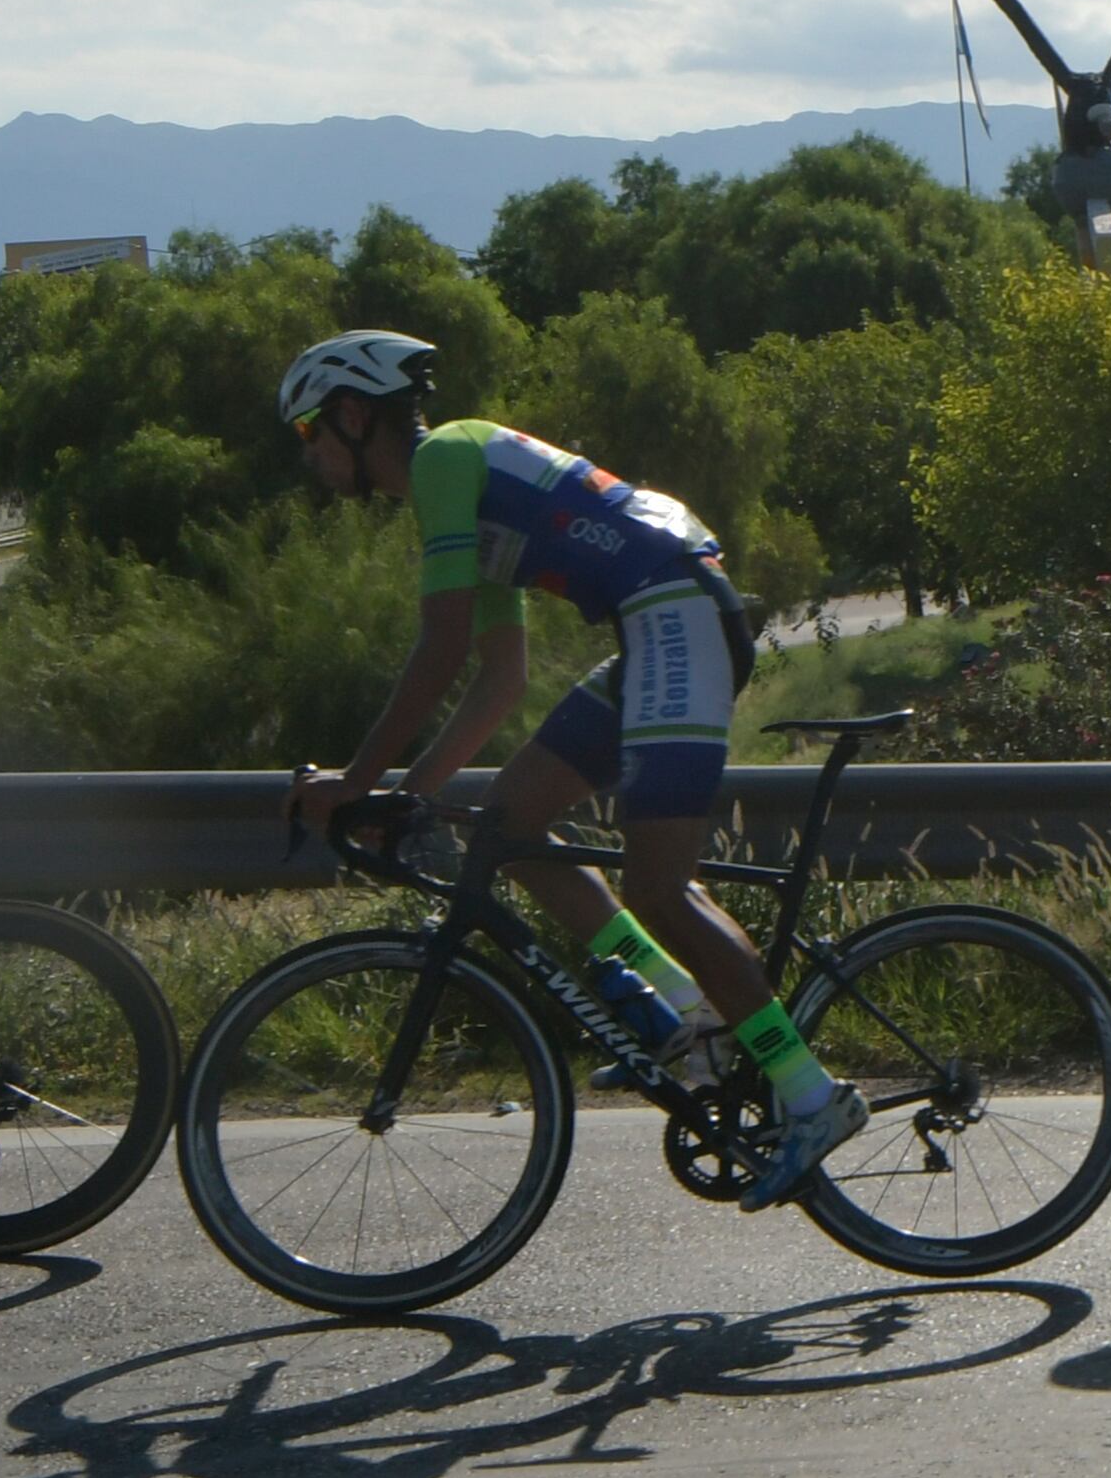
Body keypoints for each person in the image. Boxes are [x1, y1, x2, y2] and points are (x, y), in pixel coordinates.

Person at [268, 331, 863, 1209]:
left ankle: (809, 1094)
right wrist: (414, 794)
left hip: (675, 617)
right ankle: (683, 1013)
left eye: (309, 430)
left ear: (355, 415)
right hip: (657, 624)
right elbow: (496, 677)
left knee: (661, 886)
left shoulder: (443, 463)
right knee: (508, 823)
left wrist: (354, 786)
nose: (308, 453)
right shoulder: (460, 485)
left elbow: (437, 653)